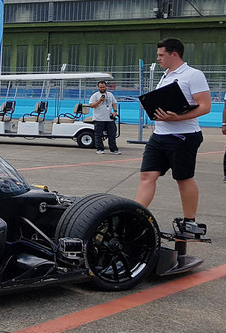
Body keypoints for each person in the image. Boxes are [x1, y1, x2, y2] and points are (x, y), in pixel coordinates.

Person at [135, 38, 211, 238]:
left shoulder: (193, 75)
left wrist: (178, 117)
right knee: (147, 176)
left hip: (183, 136)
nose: (158, 58)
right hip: (159, 135)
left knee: (183, 179)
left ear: (174, 54)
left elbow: (205, 106)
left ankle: (190, 222)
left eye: (161, 55)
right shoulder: (166, 75)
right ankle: (134, 216)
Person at [89, 80, 120, 154]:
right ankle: (99, 148)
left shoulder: (110, 95)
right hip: (99, 118)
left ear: (106, 87)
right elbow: (92, 105)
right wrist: (100, 101)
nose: (102, 88)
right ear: (98, 87)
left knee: (112, 134)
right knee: (98, 134)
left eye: (103, 87)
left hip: (109, 118)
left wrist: (115, 111)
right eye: (100, 87)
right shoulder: (95, 95)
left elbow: (114, 103)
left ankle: (113, 149)